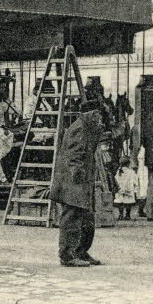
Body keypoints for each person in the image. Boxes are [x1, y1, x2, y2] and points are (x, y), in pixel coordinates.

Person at [52, 101, 105, 266]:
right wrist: (78, 175)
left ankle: (81, 252)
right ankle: (67, 255)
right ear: (91, 113)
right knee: (72, 217)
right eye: (97, 114)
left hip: (81, 181)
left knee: (87, 218)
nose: (100, 118)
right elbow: (74, 155)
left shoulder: (86, 127)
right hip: (73, 182)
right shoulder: (79, 128)